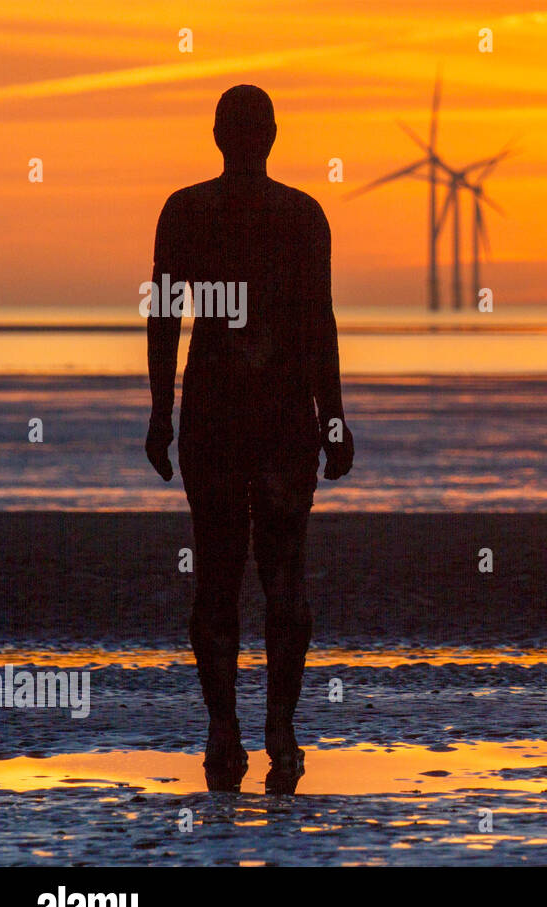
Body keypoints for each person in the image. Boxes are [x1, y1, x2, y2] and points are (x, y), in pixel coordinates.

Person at [145, 85, 353, 790]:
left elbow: (165, 320)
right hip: (283, 420)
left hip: (212, 417)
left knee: (217, 580)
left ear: (217, 134)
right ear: (271, 135)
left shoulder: (186, 211)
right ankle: (279, 729)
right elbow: (318, 325)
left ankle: (224, 727)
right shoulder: (302, 216)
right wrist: (334, 418)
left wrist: (159, 413)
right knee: (283, 581)